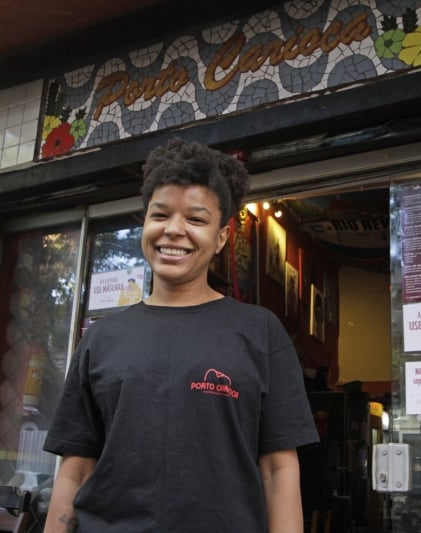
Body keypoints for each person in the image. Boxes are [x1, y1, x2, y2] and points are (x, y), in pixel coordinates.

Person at [42, 138, 319, 532]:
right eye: (161, 215)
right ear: (145, 224)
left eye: (195, 219)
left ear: (221, 237)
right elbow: (76, 467)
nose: (174, 230)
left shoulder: (260, 332)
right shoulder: (103, 338)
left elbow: (278, 469)